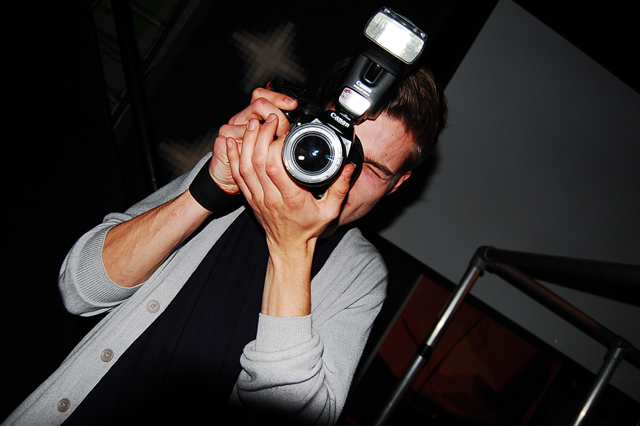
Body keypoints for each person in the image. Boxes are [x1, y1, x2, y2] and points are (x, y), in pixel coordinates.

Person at [3, 63, 447, 425]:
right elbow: (81, 288)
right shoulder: (238, 172)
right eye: (334, 145)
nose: (339, 173)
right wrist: (206, 193)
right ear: (308, 122)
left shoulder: (359, 275)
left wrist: (291, 246)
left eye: (370, 168)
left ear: (397, 184)